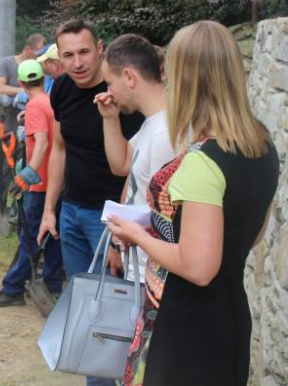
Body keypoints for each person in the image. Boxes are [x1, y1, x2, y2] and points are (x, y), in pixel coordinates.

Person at [106, 21, 278, 386]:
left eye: (170, 75)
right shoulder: (262, 145)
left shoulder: (202, 161)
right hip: (230, 316)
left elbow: (199, 267)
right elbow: (253, 233)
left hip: (187, 328)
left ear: (185, 79)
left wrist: (138, 235)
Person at [37, 19, 143, 386]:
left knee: (108, 315)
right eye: (68, 55)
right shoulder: (62, 89)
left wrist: (120, 231)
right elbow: (60, 150)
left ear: (100, 48)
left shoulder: (123, 94)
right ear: (58, 58)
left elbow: (136, 166)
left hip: (110, 222)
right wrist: (50, 210)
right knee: (83, 310)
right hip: (71, 213)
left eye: (84, 52)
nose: (77, 62)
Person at [93, 34, 175, 280]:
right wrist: (110, 118)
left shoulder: (165, 134)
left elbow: (168, 218)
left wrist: (125, 227)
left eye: (109, 82)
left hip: (152, 273)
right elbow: (122, 165)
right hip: (140, 266)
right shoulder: (153, 122)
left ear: (129, 77)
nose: (108, 91)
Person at [0, 60, 64, 306]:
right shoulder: (50, 101)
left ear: (20, 83)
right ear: (42, 79)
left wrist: (28, 172)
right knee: (52, 236)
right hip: (57, 182)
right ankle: (51, 285)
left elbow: (42, 143)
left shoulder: (36, 107)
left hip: (40, 185)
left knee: (29, 237)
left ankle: (13, 289)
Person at [0, 33, 46, 229]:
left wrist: (26, 93)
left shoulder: (35, 69)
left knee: (19, 173)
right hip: (6, 127)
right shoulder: (7, 63)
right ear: (28, 49)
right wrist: (21, 92)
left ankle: (15, 214)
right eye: (37, 53)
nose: (39, 58)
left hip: (26, 131)